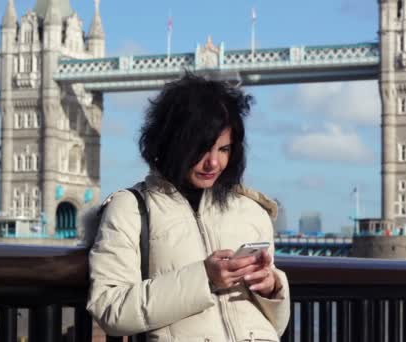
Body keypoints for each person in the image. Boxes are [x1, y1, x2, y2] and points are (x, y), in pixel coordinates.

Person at [87, 73, 290, 342]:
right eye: (201, 148)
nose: (213, 163)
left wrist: (271, 288)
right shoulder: (130, 208)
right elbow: (109, 308)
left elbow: (275, 325)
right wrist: (205, 277)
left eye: (224, 149)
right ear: (171, 141)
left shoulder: (252, 211)